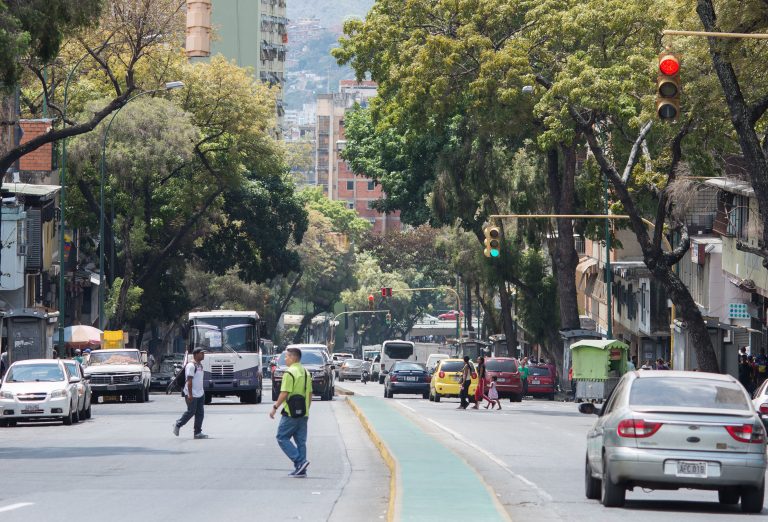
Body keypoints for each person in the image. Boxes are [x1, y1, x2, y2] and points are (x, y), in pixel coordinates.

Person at [270, 347, 312, 477]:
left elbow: (284, 393)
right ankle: (301, 469)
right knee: (301, 441)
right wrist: (306, 409)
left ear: (293, 358)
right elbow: (310, 394)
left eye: (287, 356)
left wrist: (275, 407)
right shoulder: (306, 372)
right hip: (303, 413)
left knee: (282, 437)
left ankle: (300, 461)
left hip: (290, 413)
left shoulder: (289, 373)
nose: (285, 359)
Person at [173, 348, 208, 439]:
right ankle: (178, 424)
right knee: (191, 412)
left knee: (200, 413)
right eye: (201, 353)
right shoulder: (191, 366)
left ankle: (197, 432)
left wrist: (202, 391)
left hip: (200, 393)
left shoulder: (200, 365)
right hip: (191, 393)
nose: (203, 355)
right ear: (196, 354)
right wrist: (190, 394)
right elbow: (189, 381)